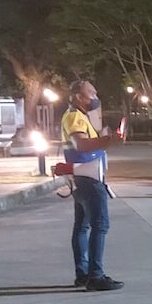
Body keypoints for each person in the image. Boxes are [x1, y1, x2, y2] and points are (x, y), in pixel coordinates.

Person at [62, 80, 124, 291]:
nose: (95, 97)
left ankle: (83, 274)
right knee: (100, 225)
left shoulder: (79, 117)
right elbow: (81, 144)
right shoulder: (75, 117)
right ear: (78, 96)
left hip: (81, 178)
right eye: (91, 93)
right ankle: (95, 277)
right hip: (89, 179)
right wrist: (109, 140)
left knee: (82, 227)